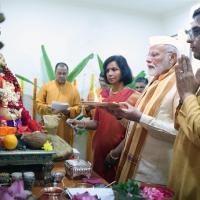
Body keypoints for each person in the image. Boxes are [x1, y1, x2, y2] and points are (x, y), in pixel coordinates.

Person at [110, 39, 179, 185]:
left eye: (154, 55)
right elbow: (137, 125)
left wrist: (140, 117)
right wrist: (120, 116)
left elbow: (179, 135)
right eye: (148, 55)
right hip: (130, 167)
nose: (148, 59)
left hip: (152, 176)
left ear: (171, 57)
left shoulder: (179, 85)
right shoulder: (154, 82)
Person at [67, 55, 140, 182]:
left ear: (124, 70)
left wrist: (115, 153)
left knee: (114, 187)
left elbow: (134, 131)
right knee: (98, 185)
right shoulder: (102, 96)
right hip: (99, 150)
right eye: (107, 71)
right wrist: (78, 122)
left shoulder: (133, 96)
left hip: (118, 153)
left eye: (114, 69)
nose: (110, 73)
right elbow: (96, 123)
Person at [168, 8, 200, 199]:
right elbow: (180, 123)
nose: (189, 40)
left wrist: (188, 94)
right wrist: (188, 95)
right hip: (181, 179)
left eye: (196, 32)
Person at [36, 62, 80, 145]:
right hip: (49, 126)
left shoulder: (73, 89)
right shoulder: (46, 87)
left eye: (64, 73)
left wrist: (69, 111)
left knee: (64, 152)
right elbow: (38, 104)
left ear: (67, 74)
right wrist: (48, 108)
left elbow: (78, 107)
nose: (62, 76)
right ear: (55, 73)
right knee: (48, 149)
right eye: (59, 73)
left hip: (65, 128)